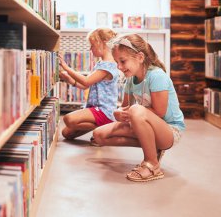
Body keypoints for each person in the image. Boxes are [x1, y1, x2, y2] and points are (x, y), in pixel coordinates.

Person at [91, 33, 185, 182]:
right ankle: (154, 149)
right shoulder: (130, 79)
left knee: (136, 110)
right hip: (144, 124)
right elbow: (125, 108)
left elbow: (160, 112)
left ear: (140, 57)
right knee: (99, 135)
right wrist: (118, 113)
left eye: (122, 61)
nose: (119, 67)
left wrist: (132, 113)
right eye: (117, 62)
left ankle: (152, 165)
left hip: (170, 130)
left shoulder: (157, 76)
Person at [59, 28, 119, 140]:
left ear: (102, 43)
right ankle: (103, 128)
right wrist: (69, 79)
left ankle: (107, 127)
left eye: (92, 45)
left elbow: (86, 81)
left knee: (68, 119)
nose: (90, 49)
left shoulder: (108, 66)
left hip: (103, 110)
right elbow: (86, 86)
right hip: (94, 109)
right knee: (66, 133)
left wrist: (66, 67)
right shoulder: (101, 64)